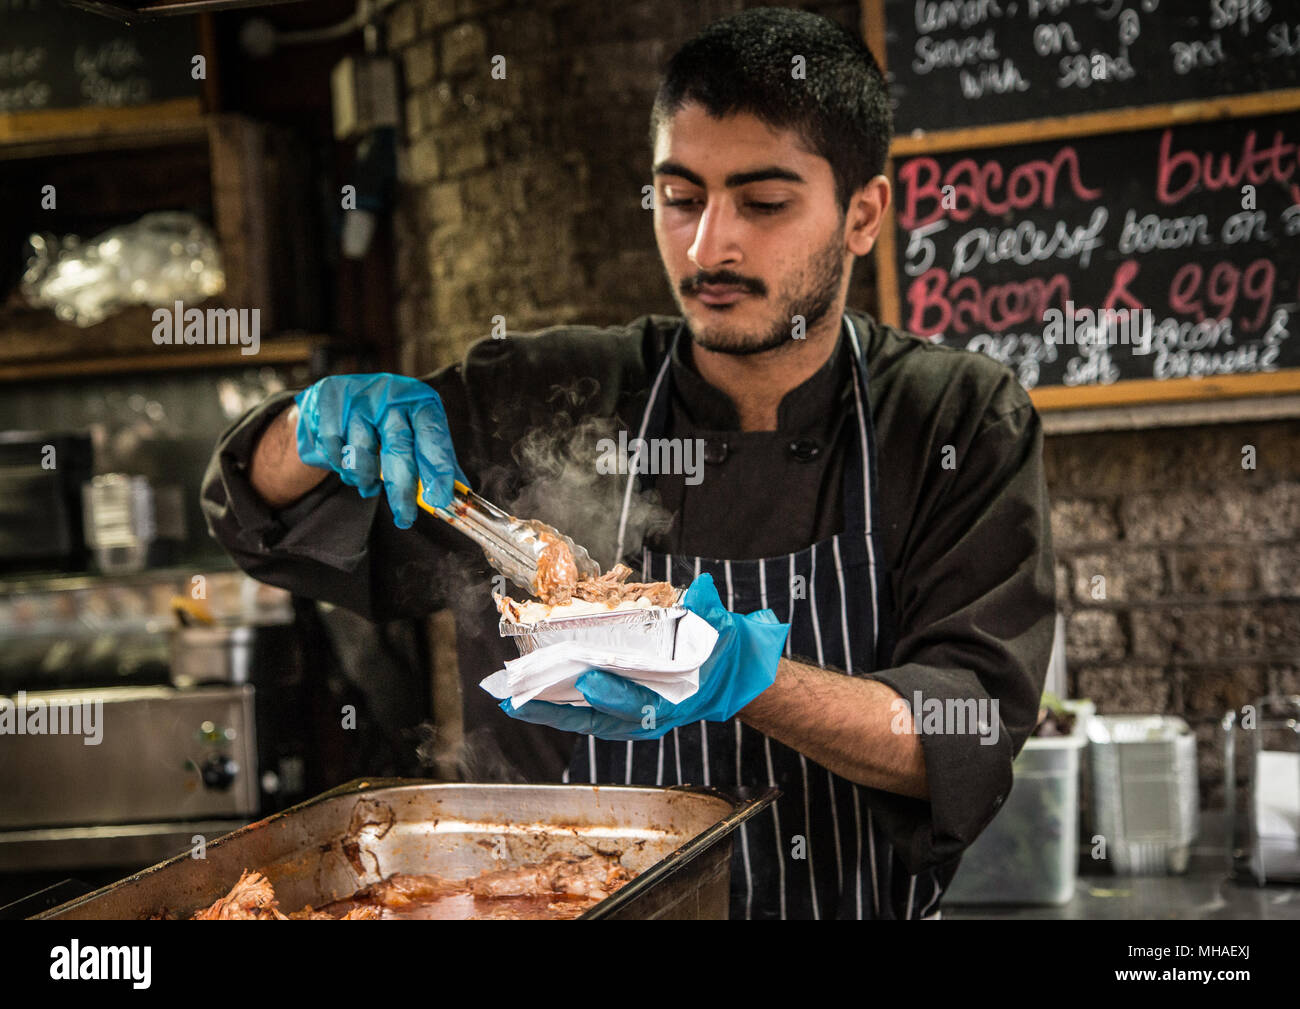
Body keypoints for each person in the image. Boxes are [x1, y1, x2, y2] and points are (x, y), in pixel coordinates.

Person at [201, 8, 1055, 919]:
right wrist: (310, 424)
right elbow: (261, 517)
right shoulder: (535, 393)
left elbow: (967, 729)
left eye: (763, 204)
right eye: (680, 197)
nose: (706, 246)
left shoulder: (953, 418)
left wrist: (747, 678)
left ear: (862, 214)